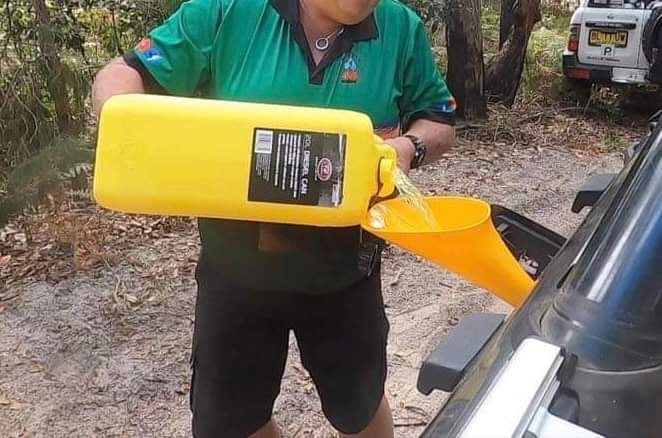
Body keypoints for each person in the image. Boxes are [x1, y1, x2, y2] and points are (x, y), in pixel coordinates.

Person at [92, 0, 456, 436]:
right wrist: (128, 127)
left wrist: (410, 147)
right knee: (231, 424)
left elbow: (438, 119)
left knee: (358, 408)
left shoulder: (401, 28)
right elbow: (122, 73)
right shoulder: (226, 11)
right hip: (236, 272)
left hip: (344, 273)